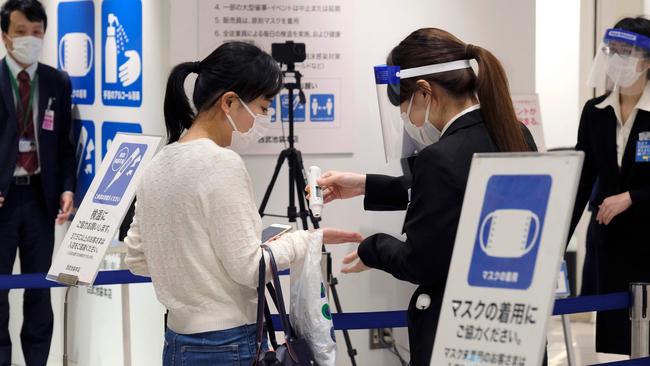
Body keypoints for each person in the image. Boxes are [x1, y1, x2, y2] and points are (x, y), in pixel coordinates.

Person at [123, 41, 362, 366]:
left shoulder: (158, 162)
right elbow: (250, 269)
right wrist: (302, 240)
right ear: (230, 102)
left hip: (176, 341)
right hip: (227, 343)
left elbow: (138, 257)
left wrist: (195, 264)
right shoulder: (222, 163)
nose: (263, 119)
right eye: (263, 107)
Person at [318, 28, 537, 365]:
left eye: (404, 107)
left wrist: (372, 247)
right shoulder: (513, 133)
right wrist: (365, 184)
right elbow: (456, 194)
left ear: (424, 92)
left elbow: (420, 262)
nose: (406, 120)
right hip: (513, 326)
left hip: (457, 334)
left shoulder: (441, 157)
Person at [0, 1, 75, 364]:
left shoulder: (57, 81)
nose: (30, 40)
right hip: (2, 200)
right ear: (4, 36)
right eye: (20, 32)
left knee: (39, 292)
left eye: (36, 33)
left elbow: (65, 145)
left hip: (41, 200)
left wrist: (67, 188)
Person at [570, 17, 650, 355]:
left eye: (625, 52)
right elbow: (579, 180)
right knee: (617, 344)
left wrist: (633, 197)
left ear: (646, 60)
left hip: (649, 240)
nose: (616, 60)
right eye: (612, 51)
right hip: (611, 243)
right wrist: (555, 243)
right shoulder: (595, 111)